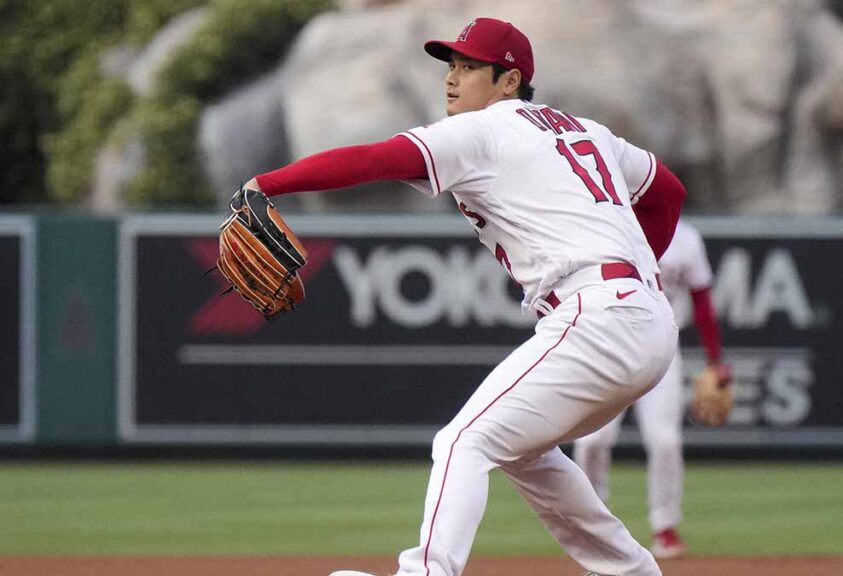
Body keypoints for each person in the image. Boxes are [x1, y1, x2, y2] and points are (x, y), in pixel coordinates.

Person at [244, 17, 687, 576]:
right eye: (451, 65)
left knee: (462, 442)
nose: (453, 78)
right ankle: (634, 571)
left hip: (598, 316)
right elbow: (667, 192)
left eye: (471, 66)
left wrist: (267, 183)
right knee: (524, 452)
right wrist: (635, 272)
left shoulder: (483, 131)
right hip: (643, 318)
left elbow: (375, 159)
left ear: (509, 81)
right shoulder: (585, 130)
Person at [573, 220, 732, 560]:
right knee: (591, 441)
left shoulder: (687, 238)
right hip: (608, 343)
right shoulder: (606, 223)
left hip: (662, 345)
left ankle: (665, 527)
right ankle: (591, 528)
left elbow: (702, 303)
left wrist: (715, 360)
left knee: (665, 440)